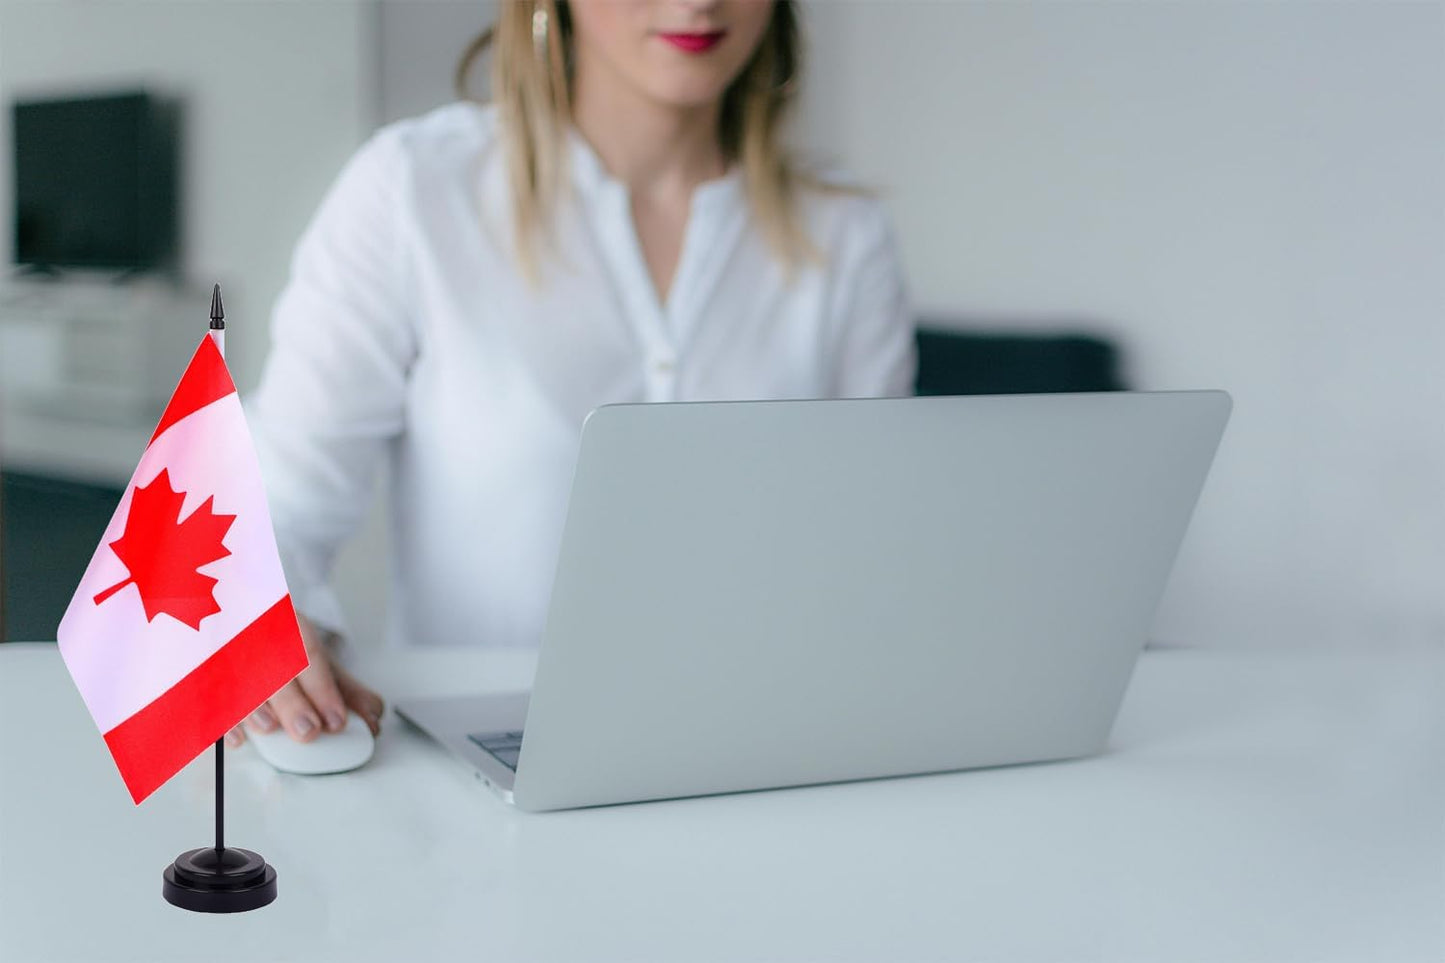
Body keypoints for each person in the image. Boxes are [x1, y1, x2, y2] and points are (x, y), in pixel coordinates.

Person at [226, 0, 915, 750]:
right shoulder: (415, 190)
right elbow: (278, 505)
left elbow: (869, 552)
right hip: (482, 769)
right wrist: (274, 615)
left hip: (763, 749)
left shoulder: (844, 234)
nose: (697, 2)